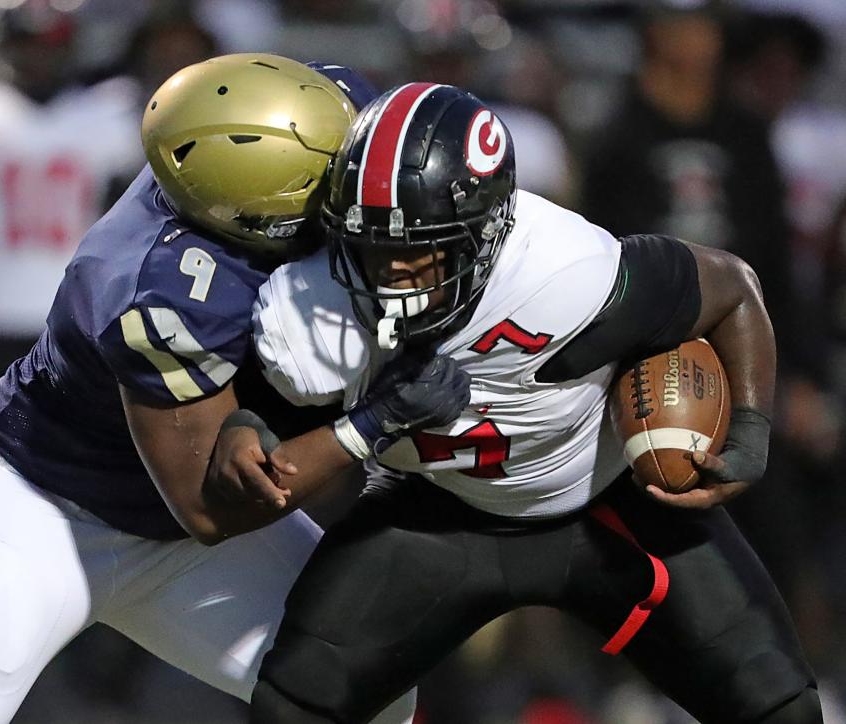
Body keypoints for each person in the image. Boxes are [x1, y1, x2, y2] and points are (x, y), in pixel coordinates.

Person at [208, 83, 823, 723]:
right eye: (372, 244)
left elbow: (733, 289)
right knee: (293, 705)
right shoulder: (310, 312)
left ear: (487, 229)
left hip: (609, 502)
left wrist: (751, 430)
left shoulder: (573, 277)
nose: (391, 272)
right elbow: (250, 472)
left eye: (420, 247)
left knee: (781, 709)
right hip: (441, 516)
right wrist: (338, 424)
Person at [0, 54, 424, 723]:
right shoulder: (155, 290)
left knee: (371, 691)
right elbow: (208, 508)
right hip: (41, 509)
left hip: (173, 523)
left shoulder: (286, 115)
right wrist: (368, 426)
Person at [0, 0, 145, 438]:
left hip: (77, 324)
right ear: (1, 42)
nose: (39, 56)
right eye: (28, 42)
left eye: (51, 44)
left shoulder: (112, 116)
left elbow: (126, 251)